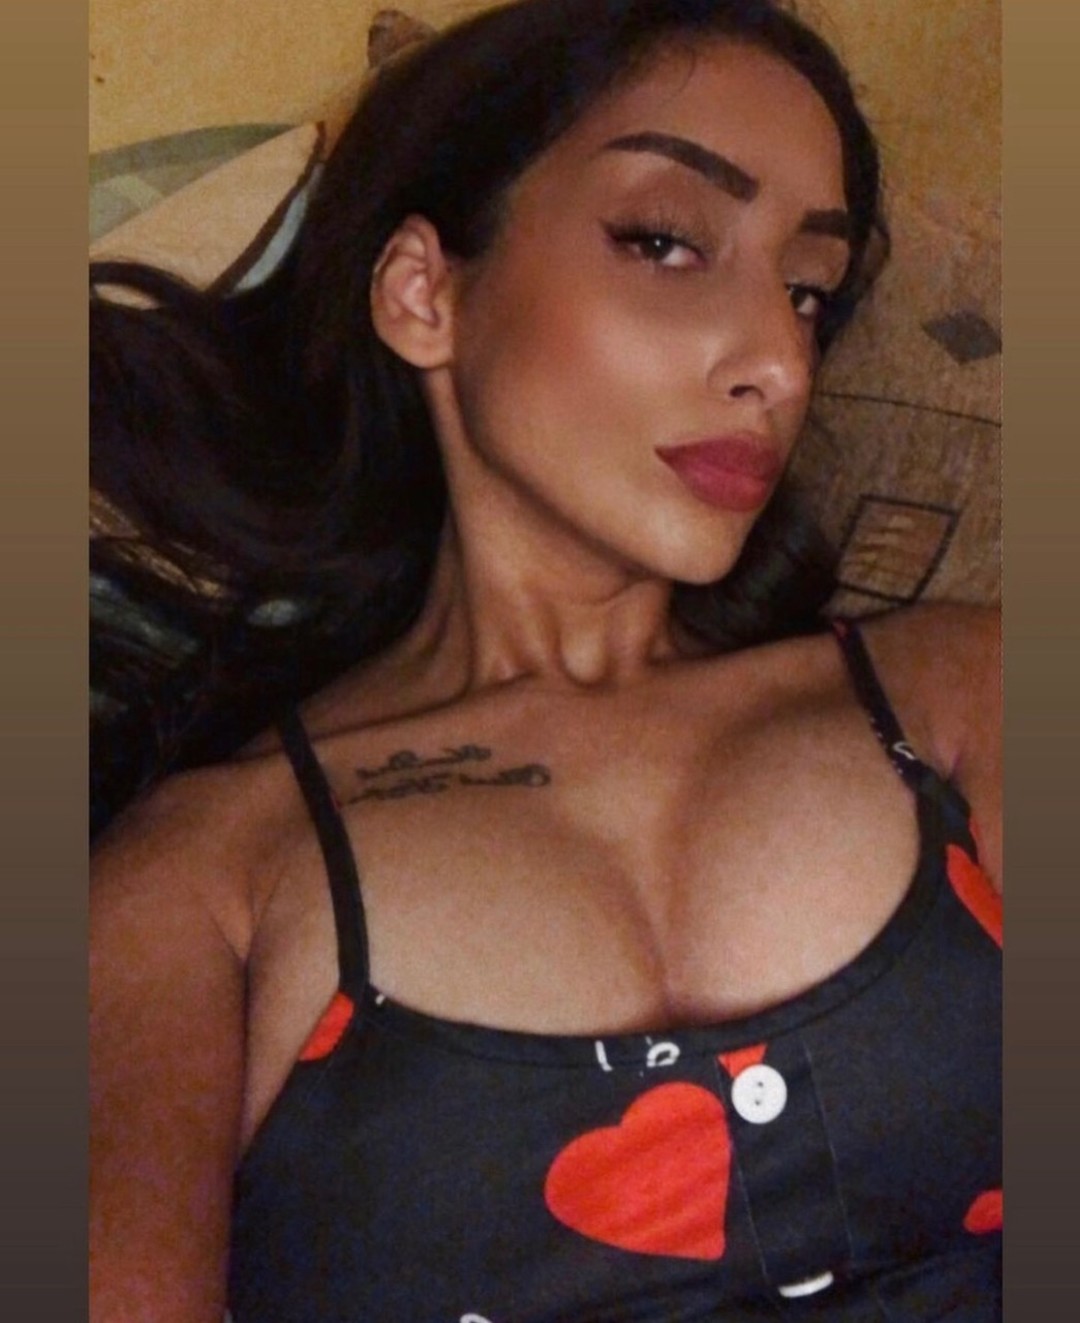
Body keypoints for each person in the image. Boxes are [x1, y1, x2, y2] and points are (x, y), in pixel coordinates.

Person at [89, 1, 1002, 1319]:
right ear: (425, 293)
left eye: (807, 291)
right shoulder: (197, 882)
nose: (779, 362)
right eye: (667, 241)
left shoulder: (965, 691)